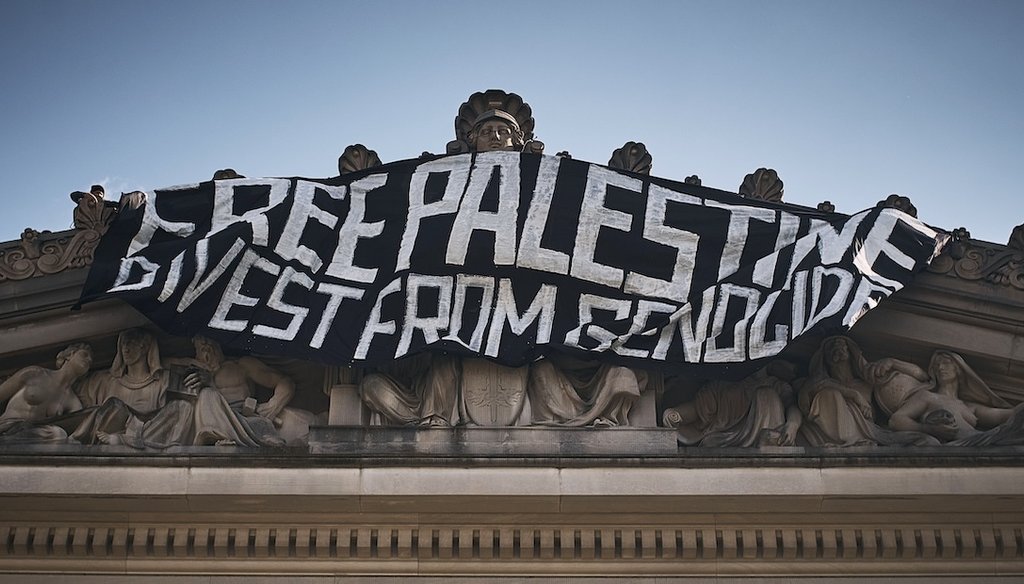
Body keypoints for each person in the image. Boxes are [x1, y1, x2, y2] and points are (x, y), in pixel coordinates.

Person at [70, 329, 263, 448]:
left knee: (184, 406)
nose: (126, 349)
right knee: (113, 406)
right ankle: (131, 440)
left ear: (146, 348)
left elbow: (194, 371)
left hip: (157, 431)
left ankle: (132, 440)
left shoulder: (165, 377)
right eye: (124, 344)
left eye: (133, 344)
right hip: (124, 431)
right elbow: (77, 405)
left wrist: (206, 378)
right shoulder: (102, 381)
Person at [798, 336, 934, 447]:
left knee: (925, 441)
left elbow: (922, 376)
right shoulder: (818, 386)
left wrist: (893, 362)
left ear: (851, 352)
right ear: (824, 358)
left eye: (842, 344)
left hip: (871, 433)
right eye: (831, 347)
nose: (837, 348)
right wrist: (853, 395)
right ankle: (848, 439)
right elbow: (804, 403)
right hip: (829, 437)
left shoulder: (867, 383)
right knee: (828, 393)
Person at [182, 336, 314, 445]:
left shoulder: (240, 365)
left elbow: (286, 382)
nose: (207, 348)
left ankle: (221, 436)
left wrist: (272, 407)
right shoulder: (192, 372)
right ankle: (213, 437)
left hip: (242, 419)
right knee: (206, 394)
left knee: (208, 394)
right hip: (205, 424)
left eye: (210, 341)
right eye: (201, 345)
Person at [874, 350, 1024, 445]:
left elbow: (1004, 416)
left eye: (946, 363)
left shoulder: (969, 406)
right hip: (966, 445)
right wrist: (928, 429)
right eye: (937, 366)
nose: (940, 368)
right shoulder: (927, 396)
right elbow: (896, 420)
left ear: (958, 370)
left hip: (982, 441)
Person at [662, 362, 801, 447]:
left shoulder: (774, 384)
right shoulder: (720, 386)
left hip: (767, 438)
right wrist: (676, 414)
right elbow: (698, 409)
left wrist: (793, 424)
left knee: (766, 394)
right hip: (723, 438)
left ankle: (771, 442)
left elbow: (791, 405)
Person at [0, 343, 92, 443]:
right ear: (70, 355)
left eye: (91, 360)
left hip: (30, 436)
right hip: (7, 426)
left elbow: (78, 431)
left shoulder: (73, 402)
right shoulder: (34, 373)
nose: (89, 360)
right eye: (84, 354)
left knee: (58, 434)